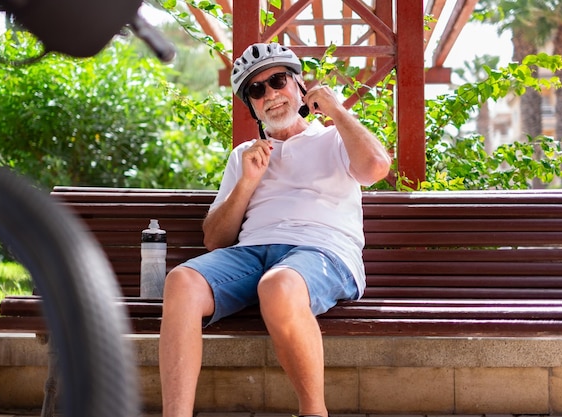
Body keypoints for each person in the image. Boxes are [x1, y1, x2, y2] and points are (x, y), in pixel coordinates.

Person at [159, 42, 391, 417]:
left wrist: (335, 110)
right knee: (181, 282)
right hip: (252, 253)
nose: (270, 94)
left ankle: (314, 412)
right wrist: (247, 183)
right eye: (256, 89)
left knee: (278, 286)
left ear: (299, 85)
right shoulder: (244, 155)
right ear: (251, 105)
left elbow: (376, 168)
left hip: (321, 252)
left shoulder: (334, 139)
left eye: (278, 80)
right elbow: (216, 240)